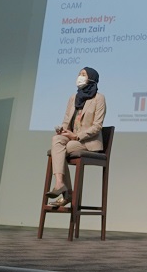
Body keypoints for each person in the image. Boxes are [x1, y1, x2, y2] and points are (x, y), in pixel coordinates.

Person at [45, 67, 106, 207]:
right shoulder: (73, 97)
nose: (80, 77)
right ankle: (59, 183)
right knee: (56, 140)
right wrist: (63, 130)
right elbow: (67, 120)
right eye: (79, 74)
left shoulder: (99, 98)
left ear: (91, 78)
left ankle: (67, 195)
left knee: (64, 149)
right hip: (71, 136)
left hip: (87, 141)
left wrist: (77, 136)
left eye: (83, 74)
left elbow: (97, 126)